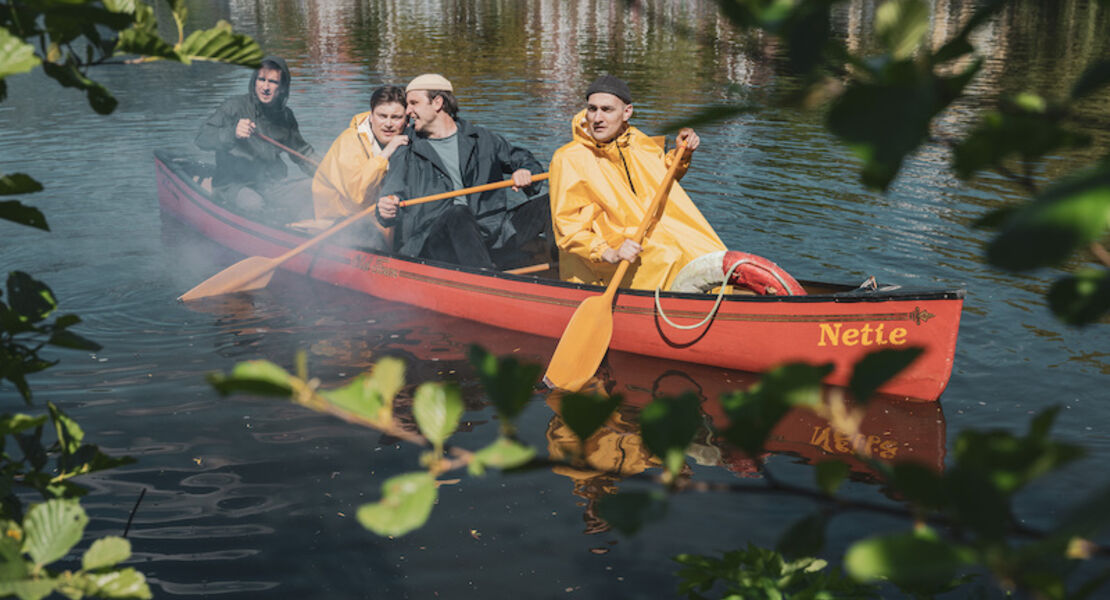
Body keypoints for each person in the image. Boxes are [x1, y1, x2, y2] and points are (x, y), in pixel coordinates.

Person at [548, 75, 727, 290]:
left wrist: (682, 153)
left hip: (646, 231)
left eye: (607, 110)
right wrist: (608, 252)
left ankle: (721, 298)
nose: (597, 118)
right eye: (592, 109)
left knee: (711, 252)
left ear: (627, 112)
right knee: (667, 255)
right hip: (603, 253)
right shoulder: (568, 158)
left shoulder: (637, 141)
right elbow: (568, 228)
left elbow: (661, 179)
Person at [376, 74, 547, 270]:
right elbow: (392, 193)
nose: (408, 111)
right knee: (458, 213)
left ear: (437, 103)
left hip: (489, 234)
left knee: (554, 201)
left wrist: (525, 171)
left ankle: (570, 274)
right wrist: (387, 207)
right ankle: (484, 279)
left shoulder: (483, 138)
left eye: (414, 103)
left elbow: (526, 161)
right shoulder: (405, 146)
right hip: (433, 244)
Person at [196, 56, 316, 219]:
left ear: (282, 87)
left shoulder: (286, 117)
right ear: (254, 81)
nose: (265, 87)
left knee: (314, 190)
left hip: (271, 185)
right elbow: (202, 138)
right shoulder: (234, 106)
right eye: (261, 80)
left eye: (272, 82)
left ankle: (302, 229)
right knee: (254, 204)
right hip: (234, 185)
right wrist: (232, 132)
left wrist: (331, 177)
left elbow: (303, 154)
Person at [310, 85, 409, 249]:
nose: (388, 124)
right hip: (340, 220)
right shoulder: (350, 141)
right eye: (382, 116)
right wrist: (386, 154)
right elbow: (357, 194)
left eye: (396, 117)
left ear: (406, 120)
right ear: (371, 116)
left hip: (377, 218)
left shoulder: (406, 140)